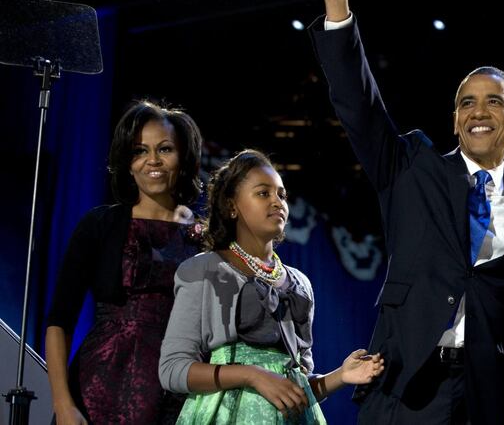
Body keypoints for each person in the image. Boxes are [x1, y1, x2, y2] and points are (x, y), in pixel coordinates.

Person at [285, 0, 504, 423]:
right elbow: (360, 108)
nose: (478, 111)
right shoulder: (411, 167)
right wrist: (337, 5)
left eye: (494, 102)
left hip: (487, 395)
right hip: (406, 388)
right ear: (454, 119)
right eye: (466, 102)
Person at [158, 149, 384, 424]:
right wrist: (251, 374)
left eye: (282, 195)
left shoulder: (300, 285)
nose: (278, 202)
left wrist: (340, 376)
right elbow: (172, 370)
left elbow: (297, 389)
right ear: (231, 205)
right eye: (263, 193)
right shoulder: (203, 269)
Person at [45, 99, 205, 424]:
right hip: (99, 387)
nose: (152, 161)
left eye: (164, 149)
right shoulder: (99, 225)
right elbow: (59, 321)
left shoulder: (207, 238)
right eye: (139, 151)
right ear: (127, 162)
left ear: (184, 157)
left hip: (177, 390)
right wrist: (63, 405)